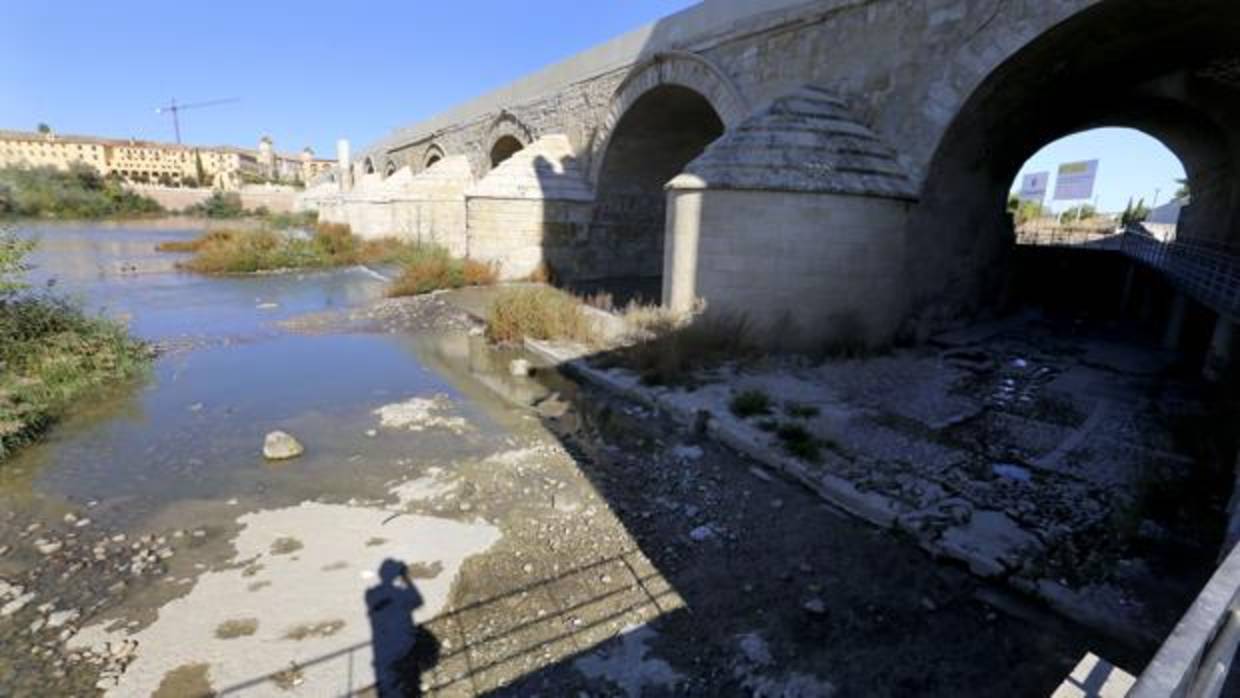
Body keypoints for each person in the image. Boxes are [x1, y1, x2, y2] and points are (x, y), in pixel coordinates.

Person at [365, 559, 439, 696]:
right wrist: (405, 578)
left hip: (383, 655)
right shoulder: (401, 595)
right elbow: (418, 600)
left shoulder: (371, 595)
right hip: (404, 652)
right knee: (409, 689)